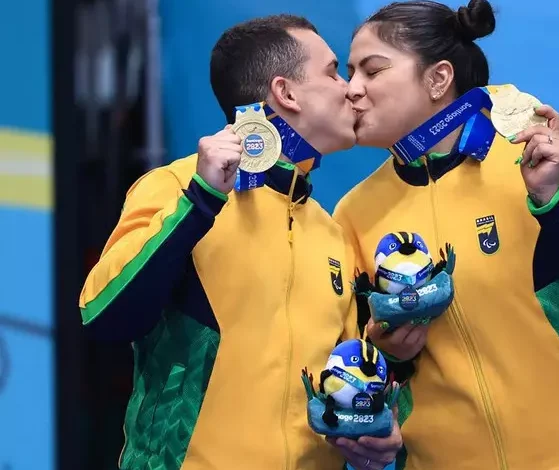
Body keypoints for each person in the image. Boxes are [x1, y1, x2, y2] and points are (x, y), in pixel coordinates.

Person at [333, 1, 559, 469]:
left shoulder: (544, 154)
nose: (352, 90)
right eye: (348, 72)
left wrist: (553, 202)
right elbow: (363, 372)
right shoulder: (355, 212)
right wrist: (387, 354)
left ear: (438, 79)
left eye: (372, 70)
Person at [79, 15, 402, 470]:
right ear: (286, 93)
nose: (350, 88)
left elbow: (342, 390)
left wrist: (375, 432)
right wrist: (201, 200)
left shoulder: (329, 232)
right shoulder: (179, 187)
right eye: (333, 72)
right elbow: (103, 318)